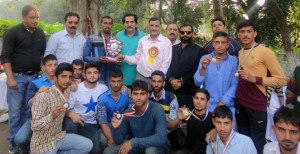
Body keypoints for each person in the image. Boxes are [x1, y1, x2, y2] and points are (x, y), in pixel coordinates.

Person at [235, 20, 286, 154]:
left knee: (257, 142)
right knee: (243, 139)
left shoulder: (265, 52)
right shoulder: (240, 52)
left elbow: (281, 80)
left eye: (249, 31)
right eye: (242, 31)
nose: (245, 34)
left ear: (255, 33)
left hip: (257, 105)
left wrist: (255, 79)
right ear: (238, 34)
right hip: (240, 102)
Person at [0, 5, 46, 153]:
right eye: (32, 17)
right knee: (15, 112)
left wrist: (42, 72)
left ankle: (25, 140)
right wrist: (10, 78)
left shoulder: (40, 34)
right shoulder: (12, 33)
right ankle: (14, 141)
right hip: (17, 77)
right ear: (23, 17)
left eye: (37, 17)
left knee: (28, 110)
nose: (35, 20)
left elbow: (41, 56)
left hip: (34, 77)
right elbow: (5, 56)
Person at [31, 63, 93, 154]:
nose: (67, 80)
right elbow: (34, 126)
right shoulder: (43, 96)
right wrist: (51, 116)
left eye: (70, 77)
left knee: (88, 145)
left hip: (58, 136)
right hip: (43, 142)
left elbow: (84, 84)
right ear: (56, 77)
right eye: (63, 76)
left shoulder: (67, 90)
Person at [104, 80, 169, 154]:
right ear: (130, 95)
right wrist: (115, 128)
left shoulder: (157, 109)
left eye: (142, 94)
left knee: (150, 151)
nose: (138, 97)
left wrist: (133, 142)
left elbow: (161, 138)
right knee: (108, 151)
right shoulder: (128, 112)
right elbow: (119, 141)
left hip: (157, 147)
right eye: (135, 94)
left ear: (148, 95)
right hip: (138, 146)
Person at [14, 54, 57, 153]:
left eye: (55, 65)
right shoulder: (35, 82)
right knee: (19, 139)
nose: (53, 68)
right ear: (43, 67)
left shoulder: (60, 80)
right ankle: (28, 150)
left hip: (55, 118)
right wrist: (38, 94)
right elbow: (29, 103)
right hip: (36, 117)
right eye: (50, 65)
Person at [63, 62, 108, 154]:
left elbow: (114, 92)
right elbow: (64, 108)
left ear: (99, 75)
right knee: (70, 123)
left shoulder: (103, 89)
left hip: (91, 123)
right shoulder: (76, 89)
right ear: (84, 74)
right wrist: (71, 114)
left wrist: (124, 88)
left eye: (95, 73)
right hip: (75, 121)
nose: (92, 75)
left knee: (96, 150)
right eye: (89, 73)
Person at [193, 31, 238, 123]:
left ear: (228, 44)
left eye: (223, 42)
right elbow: (197, 82)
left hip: (227, 106)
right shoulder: (205, 58)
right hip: (208, 107)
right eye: (217, 42)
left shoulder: (234, 61)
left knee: (227, 134)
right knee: (207, 135)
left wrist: (223, 102)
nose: (220, 45)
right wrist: (203, 68)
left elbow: (235, 84)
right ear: (213, 44)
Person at [117, 17, 172, 89]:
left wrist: (158, 79)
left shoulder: (166, 42)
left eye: (156, 26)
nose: (153, 28)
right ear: (149, 26)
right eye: (151, 25)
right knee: (138, 99)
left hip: (156, 80)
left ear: (160, 27)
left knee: (153, 100)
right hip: (140, 77)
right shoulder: (143, 40)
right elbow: (136, 58)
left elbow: (166, 63)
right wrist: (124, 57)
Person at [166, 24, 205, 109]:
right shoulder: (172, 48)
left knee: (186, 117)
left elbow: (196, 69)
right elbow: (166, 65)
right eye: (183, 32)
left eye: (188, 32)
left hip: (188, 91)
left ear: (192, 34)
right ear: (180, 33)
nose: (185, 34)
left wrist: (181, 81)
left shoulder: (199, 50)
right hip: (170, 89)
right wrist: (171, 80)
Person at [148, 70, 186, 151]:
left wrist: (179, 119)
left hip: (167, 130)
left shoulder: (172, 98)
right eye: (154, 81)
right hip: (151, 130)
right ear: (151, 82)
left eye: (159, 81)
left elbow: (170, 126)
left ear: (164, 83)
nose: (156, 84)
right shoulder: (147, 96)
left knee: (180, 140)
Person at [97, 68, 130, 147]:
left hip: (123, 125)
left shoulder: (128, 95)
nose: (116, 84)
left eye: (118, 81)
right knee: (103, 140)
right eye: (113, 81)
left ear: (122, 81)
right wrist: (111, 138)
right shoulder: (102, 98)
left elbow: (131, 114)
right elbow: (103, 121)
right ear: (109, 80)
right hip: (108, 125)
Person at [176, 88, 215, 154]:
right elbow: (169, 127)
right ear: (193, 99)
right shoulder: (187, 113)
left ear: (208, 103)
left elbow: (226, 128)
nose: (198, 102)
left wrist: (216, 129)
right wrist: (178, 119)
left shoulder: (213, 117)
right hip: (188, 151)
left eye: (202, 99)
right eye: (196, 98)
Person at [83, 16, 119, 83]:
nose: (107, 25)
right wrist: (97, 59)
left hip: (111, 77)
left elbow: (116, 56)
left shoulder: (116, 39)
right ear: (101, 25)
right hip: (97, 76)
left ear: (112, 25)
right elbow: (85, 57)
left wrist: (118, 61)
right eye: (105, 23)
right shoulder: (92, 38)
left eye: (109, 23)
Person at [116, 13, 146, 87]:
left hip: (138, 77)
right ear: (124, 24)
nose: (129, 24)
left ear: (136, 24)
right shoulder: (118, 35)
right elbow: (115, 53)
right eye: (127, 22)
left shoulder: (143, 37)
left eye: (132, 22)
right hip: (121, 77)